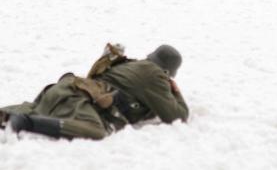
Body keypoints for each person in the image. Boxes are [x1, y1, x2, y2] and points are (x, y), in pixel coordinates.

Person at [0, 43, 189, 140]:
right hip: (78, 99)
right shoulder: (154, 75)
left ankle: (11, 115)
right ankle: (26, 123)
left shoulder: (130, 65)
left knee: (38, 108)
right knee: (96, 131)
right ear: (167, 72)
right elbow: (177, 116)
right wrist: (176, 92)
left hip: (63, 89)